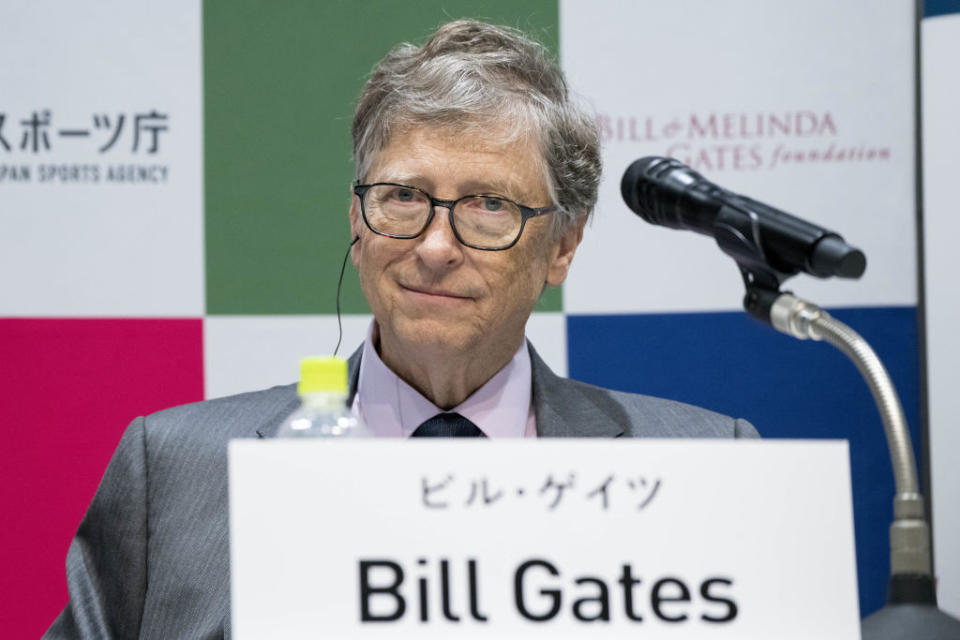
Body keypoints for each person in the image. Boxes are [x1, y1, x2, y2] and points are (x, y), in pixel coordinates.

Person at [45, 19, 757, 639]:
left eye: (486, 205)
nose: (436, 247)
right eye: (403, 196)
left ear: (563, 246)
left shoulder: (704, 468)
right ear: (357, 220)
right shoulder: (172, 469)